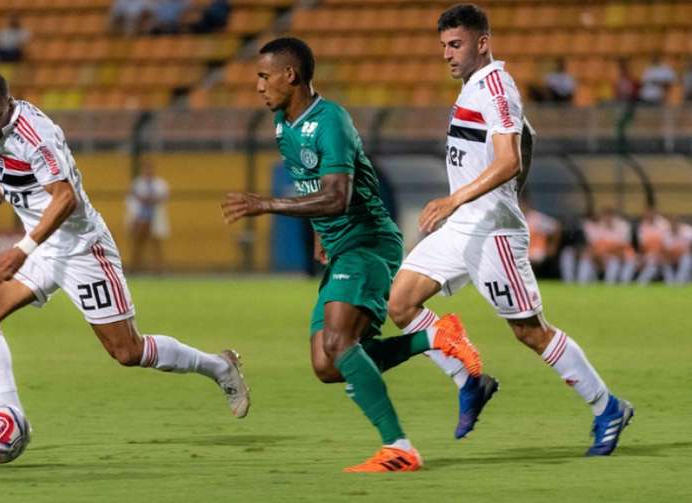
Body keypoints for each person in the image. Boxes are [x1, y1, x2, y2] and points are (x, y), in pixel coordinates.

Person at [221, 37, 481, 473]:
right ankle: (435, 338)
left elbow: (338, 196)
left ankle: (399, 447)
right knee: (327, 364)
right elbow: (317, 184)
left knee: (340, 342)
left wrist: (267, 204)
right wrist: (322, 231)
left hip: (368, 242)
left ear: (291, 75)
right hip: (343, 246)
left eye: (265, 76)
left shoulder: (330, 122)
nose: (259, 86)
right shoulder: (284, 125)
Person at [386, 4, 633, 457]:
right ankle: (471, 380)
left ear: (483, 43)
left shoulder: (496, 86)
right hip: (461, 226)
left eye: (455, 44)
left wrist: (457, 198)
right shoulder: (473, 87)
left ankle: (607, 406)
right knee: (400, 302)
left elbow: (510, 159)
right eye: (442, 46)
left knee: (530, 331)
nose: (447, 54)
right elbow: (527, 138)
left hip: (491, 232)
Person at [0, 71, 250, 442]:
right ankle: (13, 418)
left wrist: (22, 249)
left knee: (128, 351)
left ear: (9, 103)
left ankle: (220, 367)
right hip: (42, 246)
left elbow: (66, 199)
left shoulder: (35, 135)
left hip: (80, 247)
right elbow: (7, 171)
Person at [126, 160, 170, 273]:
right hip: (140, 219)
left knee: (156, 244)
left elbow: (164, 197)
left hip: (155, 218)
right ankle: (135, 268)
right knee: (138, 244)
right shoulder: (137, 184)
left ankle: (158, 269)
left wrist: (150, 200)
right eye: (146, 169)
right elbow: (131, 202)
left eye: (150, 169)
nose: (148, 172)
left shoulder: (160, 184)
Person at [578, 208, 636, 284]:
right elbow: (594, 246)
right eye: (605, 216)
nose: (608, 219)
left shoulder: (622, 226)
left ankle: (614, 284)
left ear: (614, 217)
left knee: (615, 261)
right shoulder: (599, 227)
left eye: (610, 216)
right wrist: (599, 257)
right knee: (586, 258)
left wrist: (609, 254)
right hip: (602, 257)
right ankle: (581, 284)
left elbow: (622, 248)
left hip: (620, 258)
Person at [520, 197, 561, 276]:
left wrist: (552, 246)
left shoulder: (536, 218)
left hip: (537, 249)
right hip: (523, 251)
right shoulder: (516, 218)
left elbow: (556, 227)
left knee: (531, 258)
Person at [636, 206, 670, 285]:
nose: (648, 215)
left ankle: (672, 283)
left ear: (654, 212)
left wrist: (660, 255)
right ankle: (641, 282)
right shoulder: (643, 225)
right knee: (649, 263)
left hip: (664, 254)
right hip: (649, 255)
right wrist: (642, 258)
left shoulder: (664, 224)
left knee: (656, 263)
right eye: (646, 213)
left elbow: (666, 243)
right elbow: (642, 246)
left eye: (650, 212)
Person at [662, 216, 692, 284]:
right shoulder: (666, 234)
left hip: (686, 256)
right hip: (672, 257)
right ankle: (670, 282)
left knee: (686, 258)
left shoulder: (687, 231)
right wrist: (672, 256)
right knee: (664, 260)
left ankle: (680, 281)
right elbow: (665, 251)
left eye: (675, 223)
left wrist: (681, 253)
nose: (673, 225)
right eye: (672, 223)